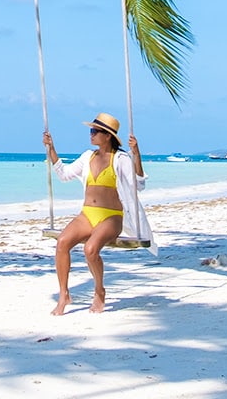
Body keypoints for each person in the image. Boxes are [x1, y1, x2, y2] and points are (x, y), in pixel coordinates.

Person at [43, 112, 154, 315]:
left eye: (95, 131)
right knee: (62, 243)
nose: (91, 134)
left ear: (108, 136)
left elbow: (139, 185)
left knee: (90, 249)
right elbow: (64, 174)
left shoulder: (120, 159)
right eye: (91, 130)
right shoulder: (88, 157)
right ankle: (63, 294)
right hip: (87, 215)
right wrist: (51, 149)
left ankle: (99, 291)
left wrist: (136, 155)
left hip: (111, 216)